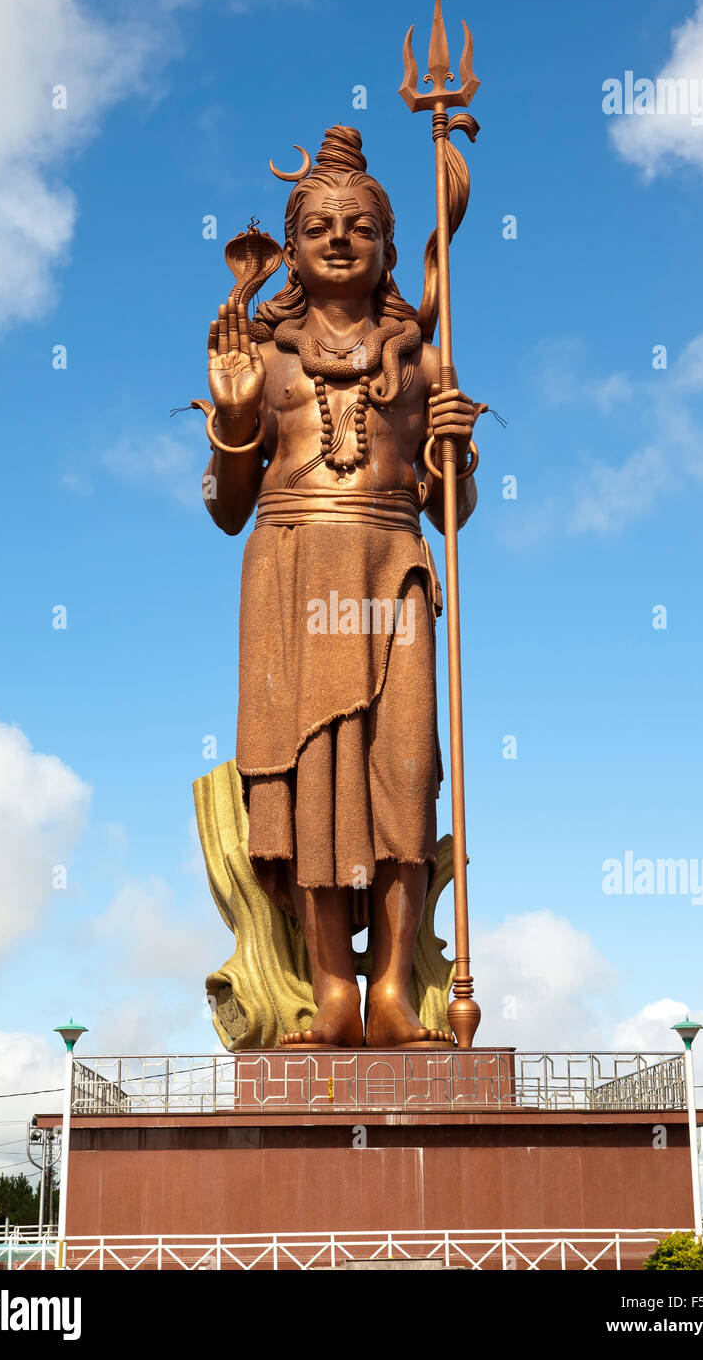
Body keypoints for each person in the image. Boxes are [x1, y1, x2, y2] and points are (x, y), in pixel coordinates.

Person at [203, 126, 480, 1047]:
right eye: (317, 224)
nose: (337, 237)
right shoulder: (268, 359)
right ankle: (331, 991)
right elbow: (225, 509)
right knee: (311, 784)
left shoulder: (425, 362)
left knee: (402, 775)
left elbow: (452, 512)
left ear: (389, 248)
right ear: (291, 245)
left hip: (390, 563)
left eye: (358, 224)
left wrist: (456, 448)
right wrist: (233, 420)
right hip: (287, 567)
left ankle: (394, 990)